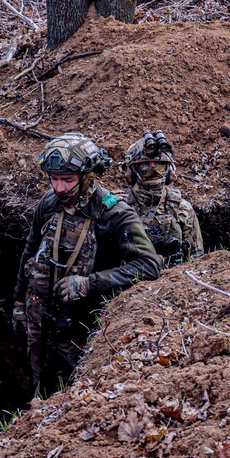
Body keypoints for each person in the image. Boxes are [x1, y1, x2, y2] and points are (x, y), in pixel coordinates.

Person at [12, 133, 162, 395]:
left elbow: (149, 266)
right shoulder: (48, 203)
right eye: (54, 179)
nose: (59, 188)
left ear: (88, 175)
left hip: (82, 326)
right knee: (41, 382)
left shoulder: (114, 214)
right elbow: (31, 249)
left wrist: (89, 283)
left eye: (68, 180)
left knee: (73, 392)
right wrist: (19, 302)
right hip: (40, 320)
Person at [118, 130, 204, 267]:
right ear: (131, 172)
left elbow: (197, 259)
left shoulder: (181, 208)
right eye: (144, 164)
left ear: (170, 171)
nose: (152, 168)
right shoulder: (119, 209)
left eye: (159, 164)